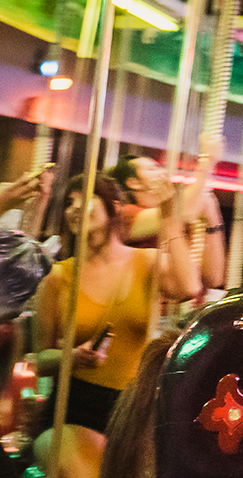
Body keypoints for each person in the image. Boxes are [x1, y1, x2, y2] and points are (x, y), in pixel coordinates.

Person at [31, 174, 200, 478]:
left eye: (85, 196)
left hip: (129, 409)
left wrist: (168, 220)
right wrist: (72, 356)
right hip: (72, 407)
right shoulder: (57, 278)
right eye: (69, 202)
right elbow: (39, 360)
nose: (75, 207)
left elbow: (189, 286)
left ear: (114, 207)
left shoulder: (146, 262)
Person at [107, 137, 226, 292]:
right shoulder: (126, 215)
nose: (162, 172)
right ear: (133, 183)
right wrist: (207, 163)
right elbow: (184, 212)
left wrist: (212, 215)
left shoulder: (181, 224)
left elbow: (213, 278)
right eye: (151, 169)